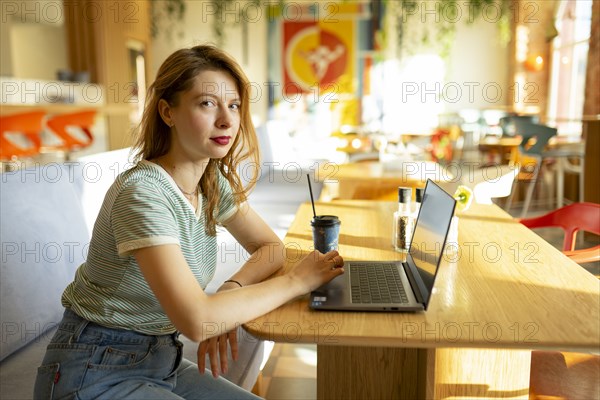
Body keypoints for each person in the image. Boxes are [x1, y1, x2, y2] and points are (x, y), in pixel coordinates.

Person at [33, 44, 344, 399]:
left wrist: (232, 289)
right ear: (168, 112)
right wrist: (296, 281)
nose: (226, 119)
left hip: (160, 361)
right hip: (91, 371)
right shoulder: (143, 194)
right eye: (207, 103)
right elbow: (198, 321)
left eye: (234, 105)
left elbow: (270, 248)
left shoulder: (211, 182)